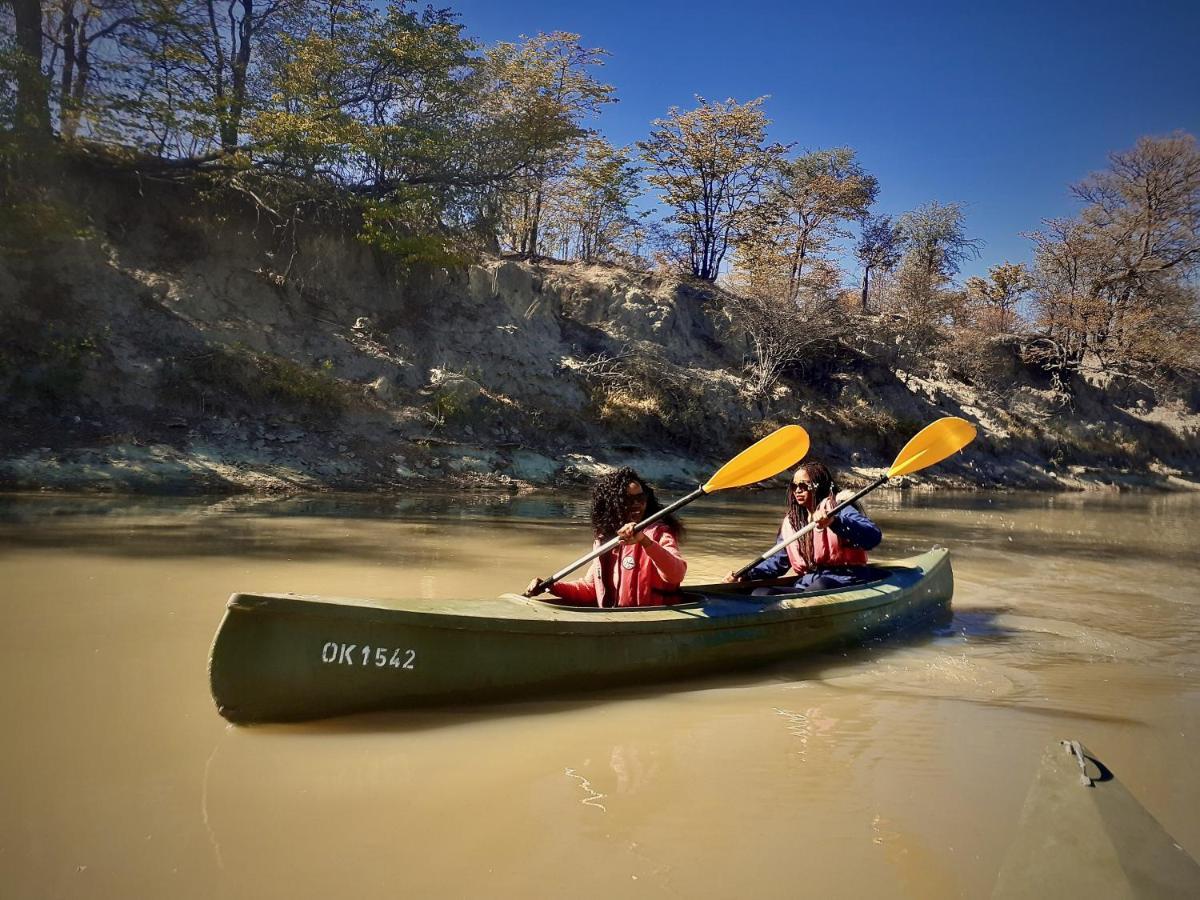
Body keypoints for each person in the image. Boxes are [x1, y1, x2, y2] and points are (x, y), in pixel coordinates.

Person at [526, 467, 687, 607]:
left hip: (653, 622)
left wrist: (645, 541)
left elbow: (676, 574)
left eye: (640, 498)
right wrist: (551, 587)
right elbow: (591, 588)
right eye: (629, 500)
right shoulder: (606, 540)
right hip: (619, 622)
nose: (637, 504)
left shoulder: (659, 532)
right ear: (612, 504)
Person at [726, 461, 881, 593]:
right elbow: (777, 562)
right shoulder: (793, 522)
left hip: (847, 579)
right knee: (761, 593)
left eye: (804, 486)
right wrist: (747, 575)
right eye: (794, 486)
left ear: (819, 486)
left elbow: (873, 536)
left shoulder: (838, 508)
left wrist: (834, 522)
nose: (798, 490)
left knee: (820, 586)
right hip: (807, 584)